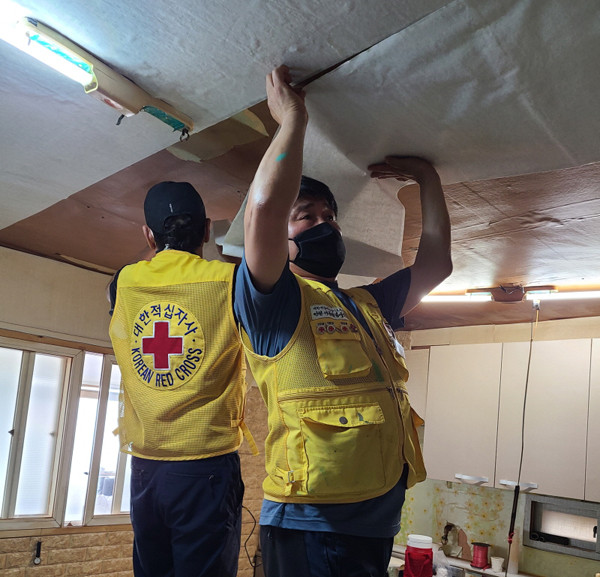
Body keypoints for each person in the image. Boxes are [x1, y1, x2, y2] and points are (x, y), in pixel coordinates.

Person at [234, 65, 452, 576]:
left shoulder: (369, 303)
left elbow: (437, 264)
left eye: (329, 216)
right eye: (305, 215)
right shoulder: (275, 300)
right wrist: (293, 119)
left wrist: (428, 179)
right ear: (281, 240)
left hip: (376, 520)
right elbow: (262, 209)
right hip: (313, 522)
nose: (323, 224)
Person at [108, 181, 249, 577]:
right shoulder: (231, 281)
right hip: (205, 463)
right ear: (206, 230)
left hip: (145, 467)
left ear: (148, 235)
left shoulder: (123, 283)